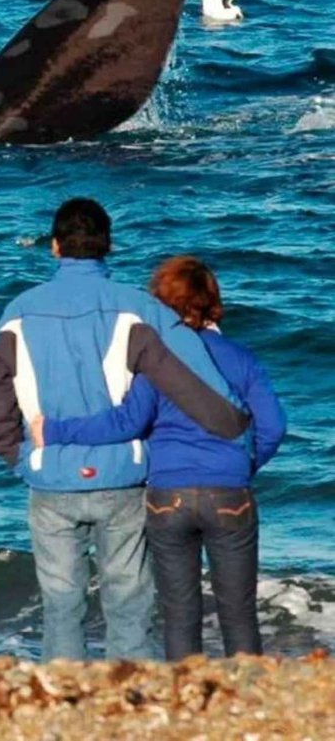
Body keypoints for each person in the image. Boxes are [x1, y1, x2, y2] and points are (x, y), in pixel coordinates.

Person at [0, 198, 249, 662]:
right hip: (122, 477)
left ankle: (66, 705)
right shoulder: (138, 308)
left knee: (62, 603)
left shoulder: (18, 311)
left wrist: (18, 455)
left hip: (49, 477)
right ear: (109, 247)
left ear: (55, 247)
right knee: (128, 600)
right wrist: (234, 426)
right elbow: (192, 377)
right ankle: (132, 706)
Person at [30, 256, 286, 659]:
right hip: (230, 493)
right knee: (239, 613)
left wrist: (56, 431)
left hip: (169, 494)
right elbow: (273, 427)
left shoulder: (157, 362)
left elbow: (126, 423)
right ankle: (248, 702)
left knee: (180, 613)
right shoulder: (243, 358)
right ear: (213, 302)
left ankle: (184, 704)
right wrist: (241, 466)